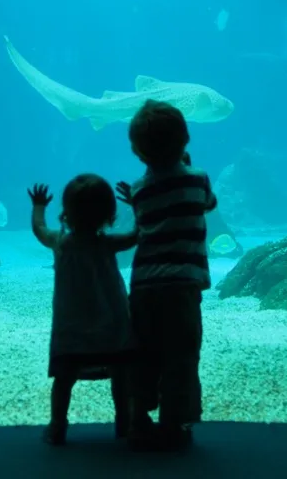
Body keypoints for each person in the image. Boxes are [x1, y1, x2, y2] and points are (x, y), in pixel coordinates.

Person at [116, 99, 218, 451]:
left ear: (137, 152)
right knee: (181, 355)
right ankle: (175, 423)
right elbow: (209, 203)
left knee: (143, 353)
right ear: (185, 140)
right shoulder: (198, 179)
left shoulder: (139, 190)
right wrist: (183, 166)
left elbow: (146, 216)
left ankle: (138, 418)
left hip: (144, 287)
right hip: (183, 288)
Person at [28, 175, 139, 446]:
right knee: (120, 376)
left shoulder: (60, 242)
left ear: (66, 211)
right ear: (109, 214)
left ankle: (57, 425)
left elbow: (39, 228)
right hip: (111, 325)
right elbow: (137, 234)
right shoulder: (108, 243)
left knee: (64, 379)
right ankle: (124, 423)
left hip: (71, 327)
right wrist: (137, 205)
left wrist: (39, 206)